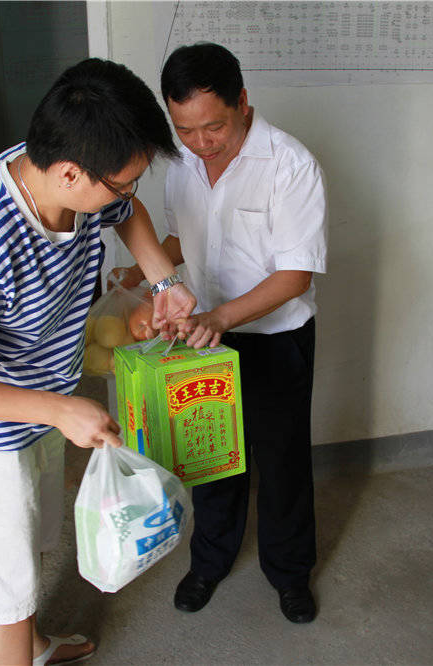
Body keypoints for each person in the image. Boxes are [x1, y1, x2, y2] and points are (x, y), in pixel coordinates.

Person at [0, 58, 195, 666]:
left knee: (30, 545)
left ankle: (35, 646)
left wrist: (163, 281)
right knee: (3, 591)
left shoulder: (68, 169)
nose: (127, 195)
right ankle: (19, 645)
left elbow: (129, 214)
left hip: (43, 406)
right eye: (122, 183)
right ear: (71, 173)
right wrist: (59, 408)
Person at [111, 42, 327, 623]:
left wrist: (221, 318)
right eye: (185, 130)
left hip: (276, 337)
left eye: (214, 127)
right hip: (202, 337)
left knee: (281, 464)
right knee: (210, 458)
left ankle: (289, 574)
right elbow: (185, 238)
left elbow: (295, 274)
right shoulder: (178, 162)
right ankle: (208, 562)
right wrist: (141, 271)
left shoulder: (289, 163)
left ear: (243, 104)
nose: (201, 143)